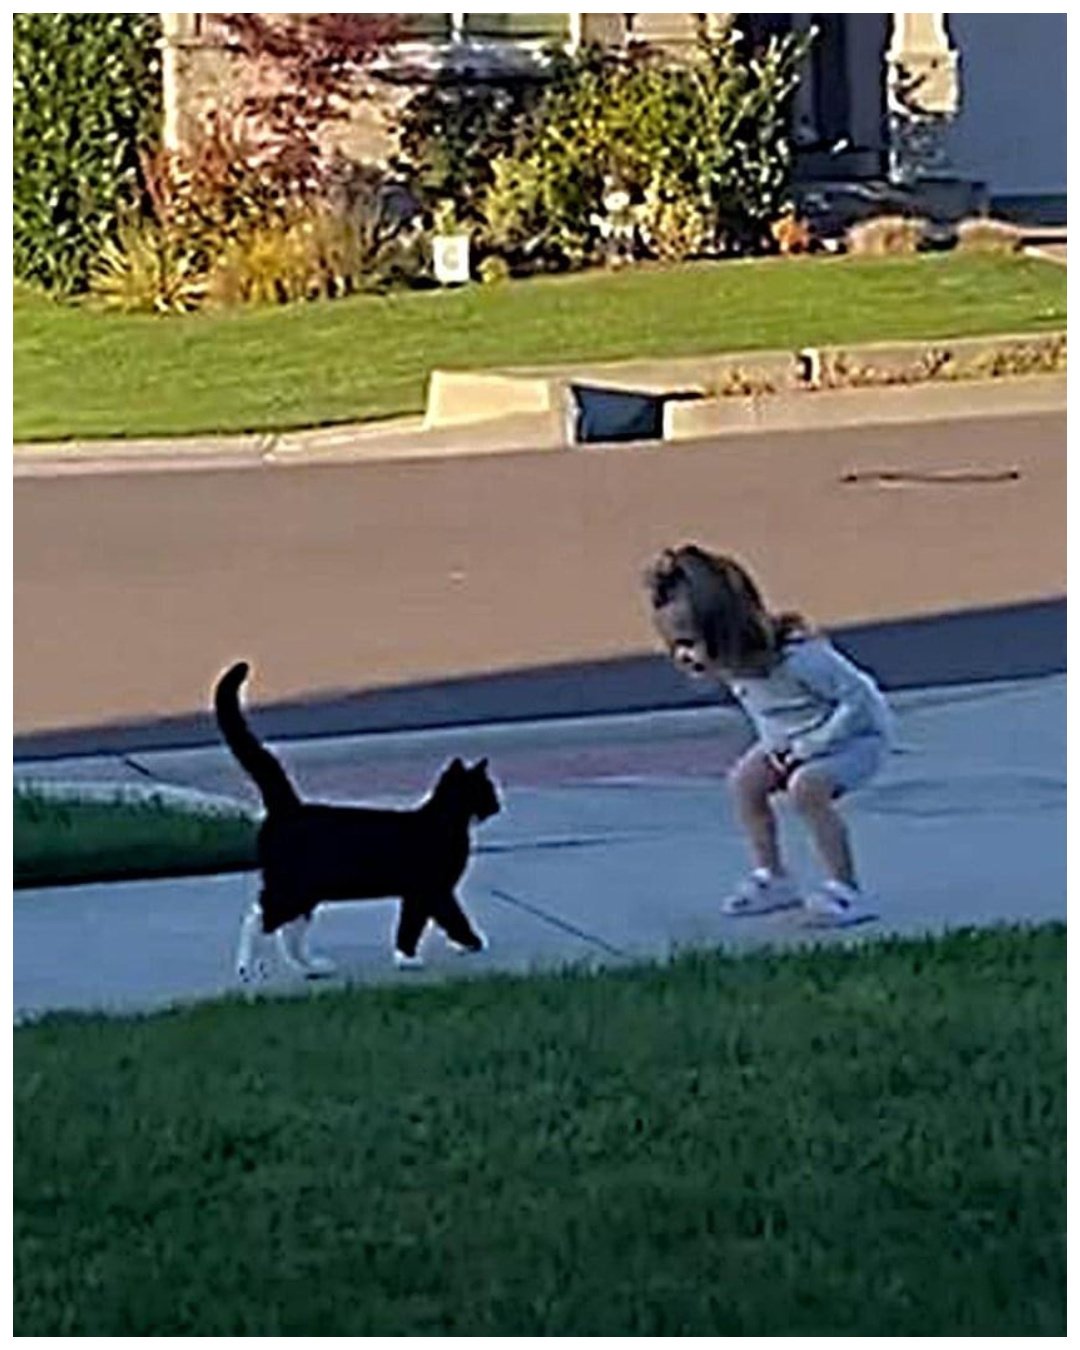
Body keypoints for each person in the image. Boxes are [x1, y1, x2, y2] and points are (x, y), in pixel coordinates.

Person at [645, 543, 893, 927]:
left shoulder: (800, 659)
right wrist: (780, 747)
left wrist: (815, 745)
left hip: (855, 740)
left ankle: (845, 890)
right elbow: (768, 717)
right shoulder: (732, 666)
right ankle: (773, 876)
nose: (684, 657)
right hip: (791, 743)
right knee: (745, 783)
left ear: (727, 633)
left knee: (806, 789)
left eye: (691, 643)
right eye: (676, 645)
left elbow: (861, 700)